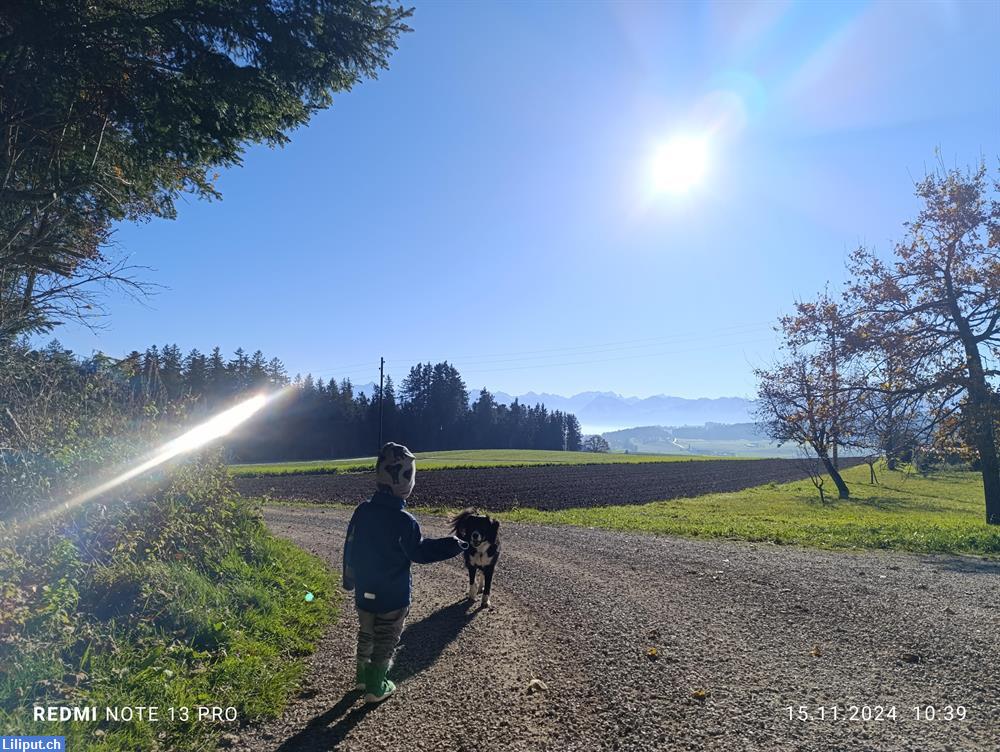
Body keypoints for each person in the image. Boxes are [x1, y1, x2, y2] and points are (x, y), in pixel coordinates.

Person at [342, 442, 468, 703]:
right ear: (404, 479)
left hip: (364, 591)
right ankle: (376, 687)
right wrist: (452, 545)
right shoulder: (404, 521)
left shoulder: (362, 511)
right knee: (387, 637)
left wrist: (348, 578)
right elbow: (419, 552)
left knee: (366, 632)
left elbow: (350, 544)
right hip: (393, 595)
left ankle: (362, 677)